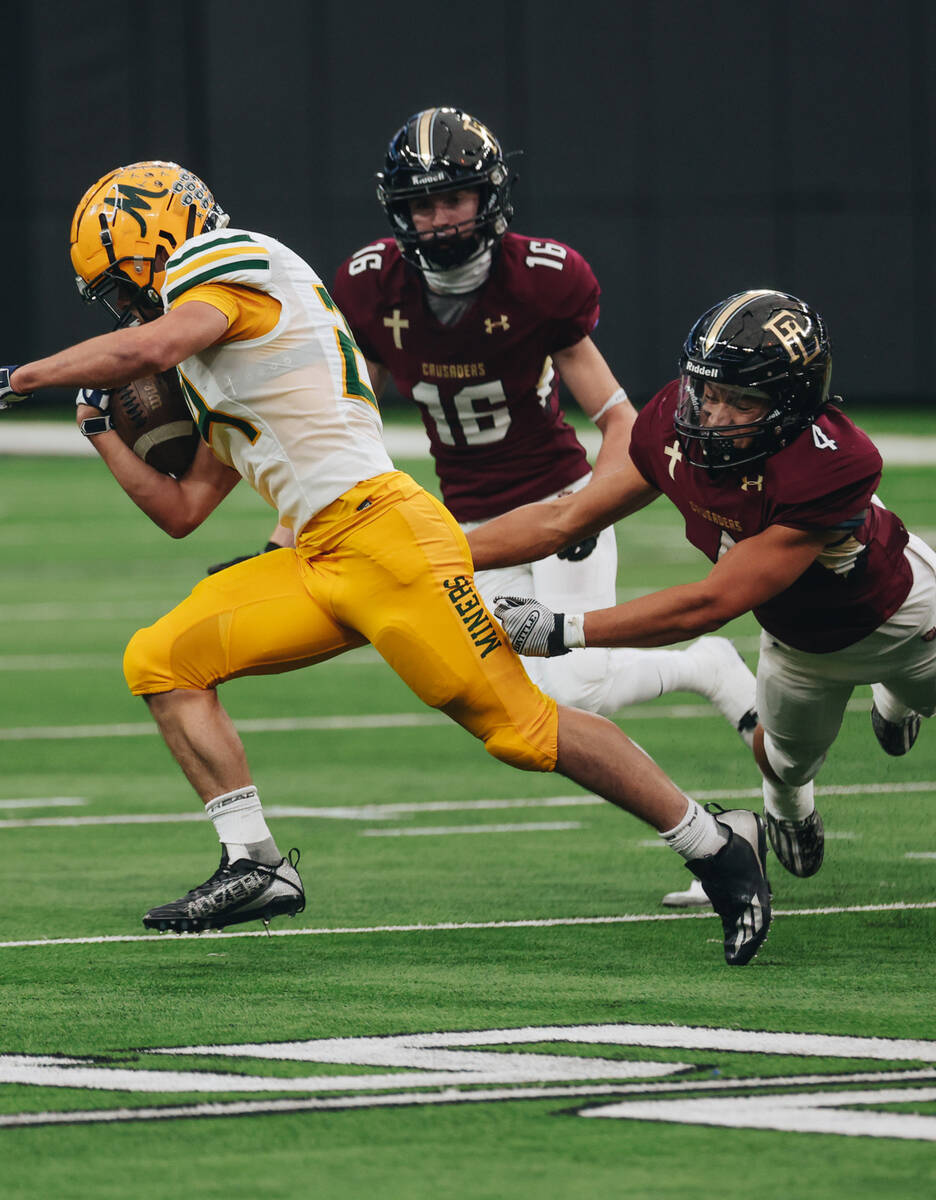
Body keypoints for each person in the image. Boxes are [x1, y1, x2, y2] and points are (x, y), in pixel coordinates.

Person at [0, 161, 772, 965]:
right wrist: (98, 428)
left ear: (160, 238)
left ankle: (715, 846)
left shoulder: (230, 261)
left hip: (384, 536)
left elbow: (154, 340)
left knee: (523, 727)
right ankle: (255, 863)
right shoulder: (217, 358)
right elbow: (182, 511)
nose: (122, 304)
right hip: (316, 550)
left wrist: (25, 376)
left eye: (118, 285)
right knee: (161, 659)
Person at [212, 108, 758, 915]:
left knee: (573, 696)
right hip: (466, 531)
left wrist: (589, 508)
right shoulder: (369, 286)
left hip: (557, 502)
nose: (439, 219)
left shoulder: (543, 278)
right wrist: (279, 534)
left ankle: (708, 682)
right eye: (424, 204)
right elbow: (336, 434)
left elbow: (618, 420)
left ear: (489, 198)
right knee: (513, 703)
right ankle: (710, 779)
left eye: (455, 199)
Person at [469, 288, 936, 891]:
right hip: (799, 640)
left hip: (900, 617)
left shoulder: (833, 464)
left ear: (792, 403)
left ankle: (897, 705)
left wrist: (564, 628)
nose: (714, 413)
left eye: (742, 400)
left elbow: (713, 602)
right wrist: (437, 554)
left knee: (934, 694)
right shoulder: (674, 426)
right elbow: (565, 518)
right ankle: (787, 808)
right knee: (784, 761)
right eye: (709, 392)